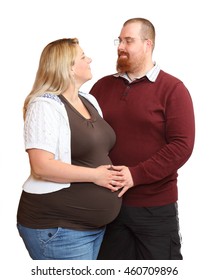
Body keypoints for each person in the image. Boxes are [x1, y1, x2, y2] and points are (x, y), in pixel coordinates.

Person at [90, 18, 195, 260]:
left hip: (155, 208)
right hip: (108, 206)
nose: (121, 46)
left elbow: (182, 146)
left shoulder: (172, 89)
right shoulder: (102, 87)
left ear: (148, 44)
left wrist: (136, 175)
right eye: (119, 40)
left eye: (129, 40)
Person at [16, 38, 124, 260]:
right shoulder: (44, 105)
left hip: (92, 229)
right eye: (83, 56)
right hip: (59, 229)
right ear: (68, 67)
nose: (90, 59)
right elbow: (41, 167)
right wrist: (96, 176)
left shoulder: (89, 100)